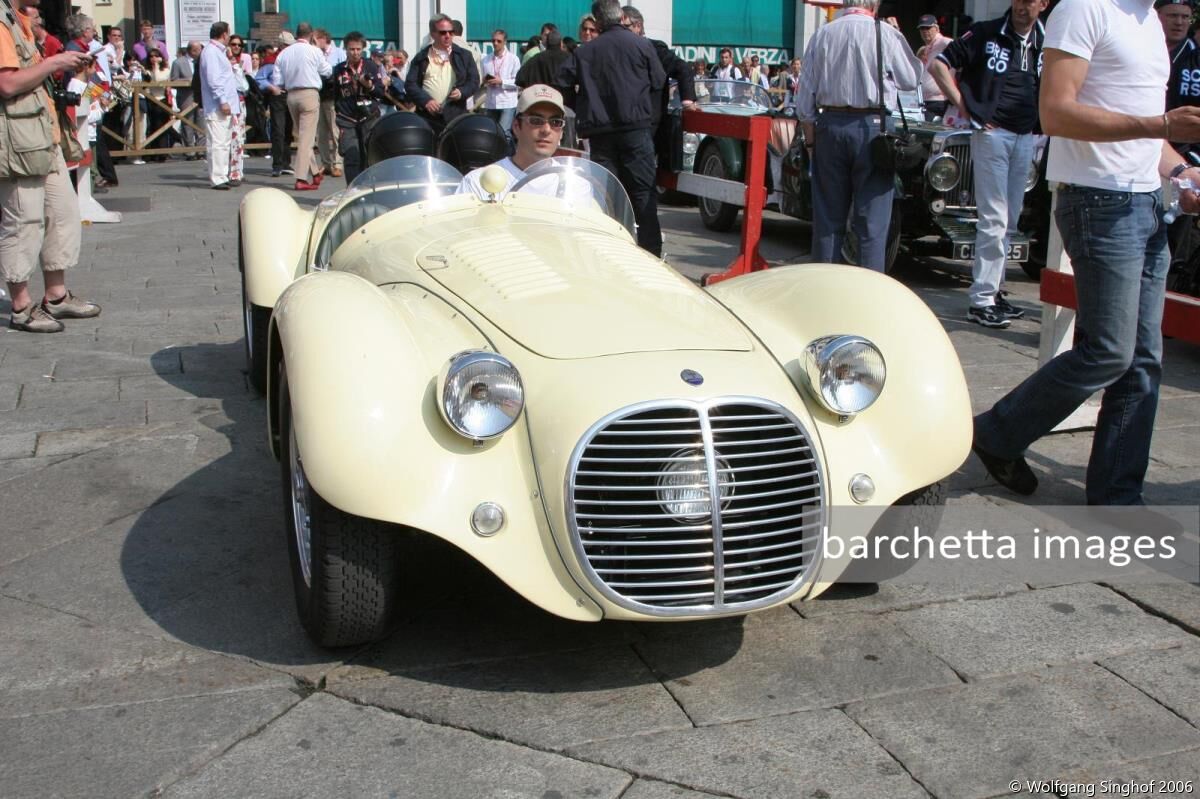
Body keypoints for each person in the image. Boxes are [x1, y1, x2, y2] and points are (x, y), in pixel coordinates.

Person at [972, 0, 1200, 506]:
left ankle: (1117, 497)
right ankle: (995, 432)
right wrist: (1163, 124)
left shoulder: (1146, 19)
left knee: (1143, 359)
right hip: (1099, 200)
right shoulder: (1084, 8)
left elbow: (1146, 134)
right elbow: (1055, 112)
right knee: (1110, 351)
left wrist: (1182, 171)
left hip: (1145, 200)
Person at [929, 0, 1048, 328]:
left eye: (1030, 1)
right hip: (992, 133)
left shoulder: (1046, 40)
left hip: (1026, 135)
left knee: (1010, 219)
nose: (1023, 7)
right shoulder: (986, 32)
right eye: (1019, 0)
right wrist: (964, 106)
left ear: (1043, 4)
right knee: (994, 217)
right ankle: (981, 299)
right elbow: (938, 64)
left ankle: (993, 291)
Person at [796, 0, 921, 271]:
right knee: (872, 224)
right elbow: (911, 79)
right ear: (875, 5)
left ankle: (824, 285)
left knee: (828, 219)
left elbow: (804, 99)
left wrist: (811, 141)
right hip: (873, 128)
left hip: (830, 125)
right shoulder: (886, 33)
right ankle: (868, 288)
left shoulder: (823, 33)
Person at [1, 0, 101, 333]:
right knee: (24, 220)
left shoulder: (18, 19)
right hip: (19, 140)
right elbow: (7, 84)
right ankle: (21, 306)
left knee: (62, 213)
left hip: (43, 134)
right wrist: (54, 61)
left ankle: (56, 296)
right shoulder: (1, 22)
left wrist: (60, 64)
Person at [558, 0, 666, 255]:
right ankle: (651, 253)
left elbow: (561, 81)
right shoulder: (641, 44)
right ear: (620, 16)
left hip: (600, 132)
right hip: (635, 128)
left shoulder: (585, 52)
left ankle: (612, 251)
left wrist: (582, 105)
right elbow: (659, 80)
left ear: (597, 22)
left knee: (607, 196)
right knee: (642, 193)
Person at [457, 84, 565, 199]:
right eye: (536, 121)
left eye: (555, 122)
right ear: (516, 126)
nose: (546, 130)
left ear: (561, 132)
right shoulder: (478, 184)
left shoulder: (573, 183)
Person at [272, 22, 331, 190]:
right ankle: (301, 178)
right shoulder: (314, 51)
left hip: (291, 95)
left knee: (304, 136)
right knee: (307, 139)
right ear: (311, 35)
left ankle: (315, 172)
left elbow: (277, 81)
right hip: (309, 93)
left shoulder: (284, 53)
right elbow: (327, 71)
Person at [404, 13, 479, 135]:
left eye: (451, 32)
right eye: (443, 32)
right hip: (428, 117)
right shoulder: (421, 57)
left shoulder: (464, 55)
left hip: (456, 115)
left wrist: (461, 92)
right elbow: (410, 84)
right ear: (433, 34)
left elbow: (474, 81)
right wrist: (426, 101)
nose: (448, 36)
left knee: (454, 146)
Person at [331, 31, 385, 183]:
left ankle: (370, 189)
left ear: (363, 49)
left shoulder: (371, 66)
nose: (355, 53)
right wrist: (339, 111)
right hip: (347, 119)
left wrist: (370, 86)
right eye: (351, 49)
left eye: (358, 49)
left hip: (369, 117)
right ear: (346, 49)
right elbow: (336, 94)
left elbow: (381, 93)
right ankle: (352, 190)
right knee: (351, 156)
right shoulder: (339, 69)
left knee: (369, 155)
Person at [199, 21, 243, 189]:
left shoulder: (218, 52)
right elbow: (214, 80)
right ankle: (218, 177)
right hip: (217, 105)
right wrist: (222, 100)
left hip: (224, 104)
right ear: (224, 34)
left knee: (224, 142)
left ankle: (222, 174)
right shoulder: (211, 52)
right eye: (228, 34)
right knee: (217, 143)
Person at [256, 38, 292, 176]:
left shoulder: (293, 58)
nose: (289, 48)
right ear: (281, 45)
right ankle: (277, 164)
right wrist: (272, 88)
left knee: (288, 130)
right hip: (278, 96)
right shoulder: (271, 60)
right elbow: (259, 78)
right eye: (286, 45)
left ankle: (286, 163)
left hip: (291, 94)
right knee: (278, 130)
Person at [313, 28, 344, 177]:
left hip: (332, 96)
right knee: (321, 133)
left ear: (324, 38)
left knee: (335, 131)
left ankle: (338, 163)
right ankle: (326, 163)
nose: (313, 42)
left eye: (315, 39)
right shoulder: (315, 53)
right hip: (319, 95)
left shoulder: (338, 53)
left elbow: (342, 73)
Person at [481, 29, 519, 147]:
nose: (495, 43)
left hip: (507, 102)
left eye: (499, 41)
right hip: (491, 102)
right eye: (493, 40)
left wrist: (502, 81)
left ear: (505, 42)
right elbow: (482, 80)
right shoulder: (486, 60)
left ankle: (508, 155)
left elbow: (518, 82)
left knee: (504, 133)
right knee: (490, 133)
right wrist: (486, 81)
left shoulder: (513, 59)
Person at [915, 14, 952, 120]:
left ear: (936, 28)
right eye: (922, 28)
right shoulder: (926, 48)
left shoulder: (943, 42)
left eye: (928, 28)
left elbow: (960, 46)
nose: (925, 31)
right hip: (924, 101)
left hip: (938, 101)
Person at [171, 41, 203, 159]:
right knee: (187, 123)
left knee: (201, 123)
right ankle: (190, 150)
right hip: (186, 97)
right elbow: (173, 80)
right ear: (192, 50)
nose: (200, 52)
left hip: (200, 95)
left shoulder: (202, 61)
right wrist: (187, 81)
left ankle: (201, 150)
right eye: (198, 50)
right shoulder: (178, 62)